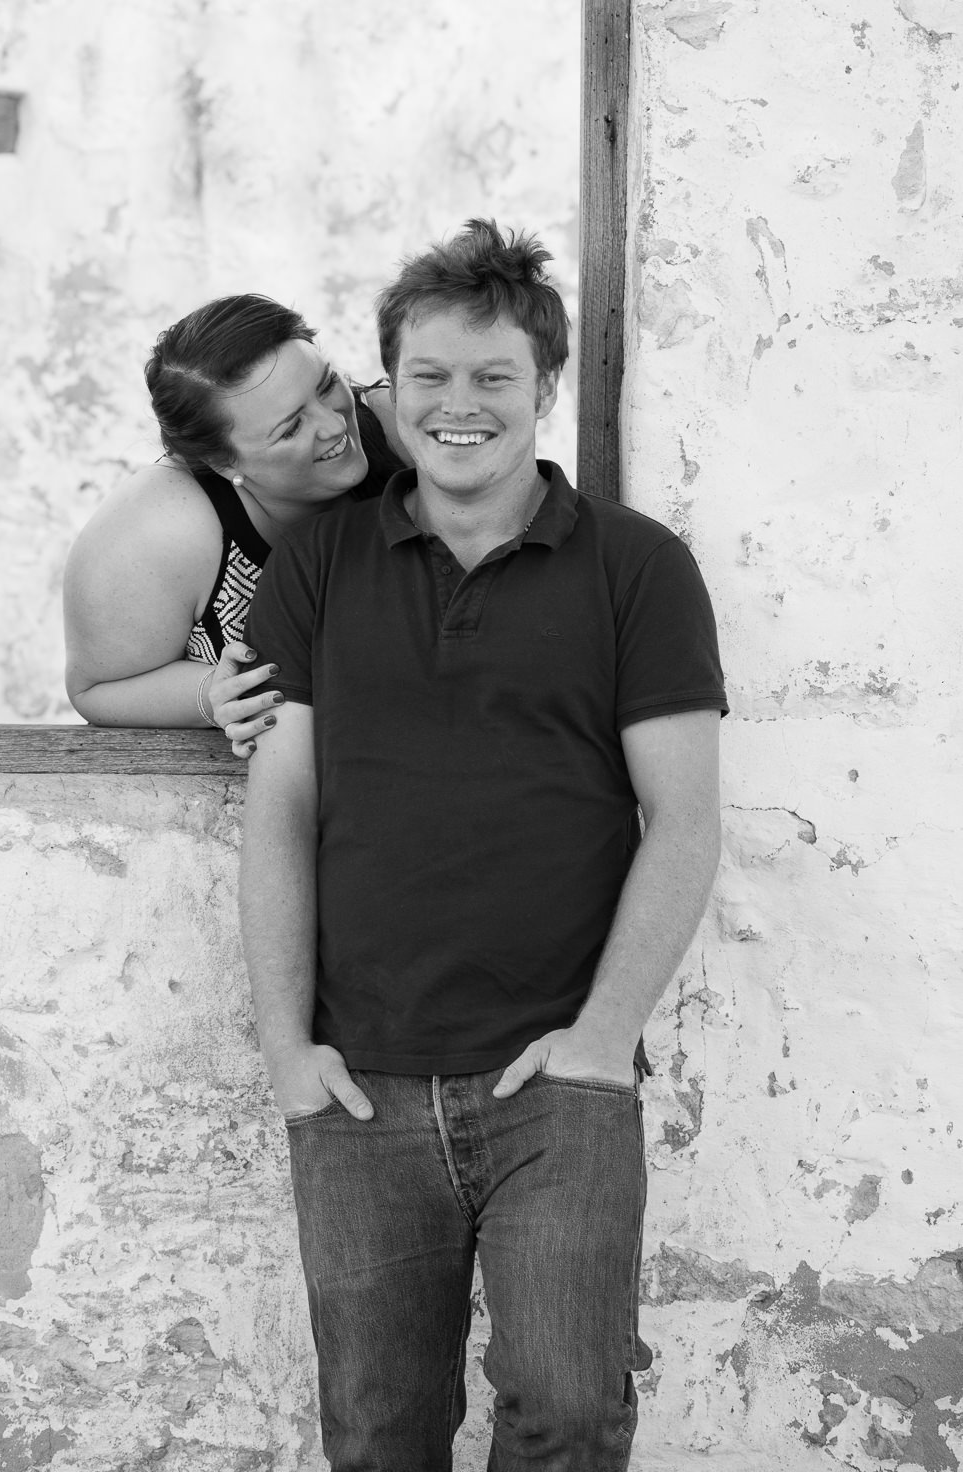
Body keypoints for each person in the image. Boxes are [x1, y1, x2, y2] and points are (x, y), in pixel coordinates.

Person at [241, 219, 726, 1472]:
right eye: (430, 379)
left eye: (492, 377)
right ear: (387, 391)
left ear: (544, 389)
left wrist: (601, 1039)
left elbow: (682, 818)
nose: (459, 406)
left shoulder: (636, 568)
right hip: (358, 1090)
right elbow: (280, 811)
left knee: (567, 1415)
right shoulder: (318, 560)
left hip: (552, 1084)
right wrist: (289, 1053)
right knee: (376, 1433)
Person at [63, 294, 404, 746]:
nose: (334, 425)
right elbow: (96, 689)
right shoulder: (158, 529)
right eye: (291, 428)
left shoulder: (402, 429)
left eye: (325, 386)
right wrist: (211, 695)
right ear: (223, 463)